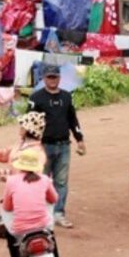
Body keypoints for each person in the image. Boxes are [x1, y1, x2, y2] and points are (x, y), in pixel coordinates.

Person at [29, 64, 84, 228]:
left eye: (55, 77)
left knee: (61, 182)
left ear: (60, 78)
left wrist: (79, 139)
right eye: (49, 77)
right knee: (41, 181)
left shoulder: (67, 97)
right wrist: (30, 143)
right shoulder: (36, 98)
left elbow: (73, 120)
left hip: (63, 145)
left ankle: (58, 213)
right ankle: (42, 214)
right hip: (43, 146)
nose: (52, 80)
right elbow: (29, 121)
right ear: (44, 78)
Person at [1, 148, 59, 257]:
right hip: (43, 225)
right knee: (51, 236)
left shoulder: (12, 181)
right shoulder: (45, 180)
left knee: (12, 242)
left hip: (21, 229)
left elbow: (7, 207)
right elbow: (54, 199)